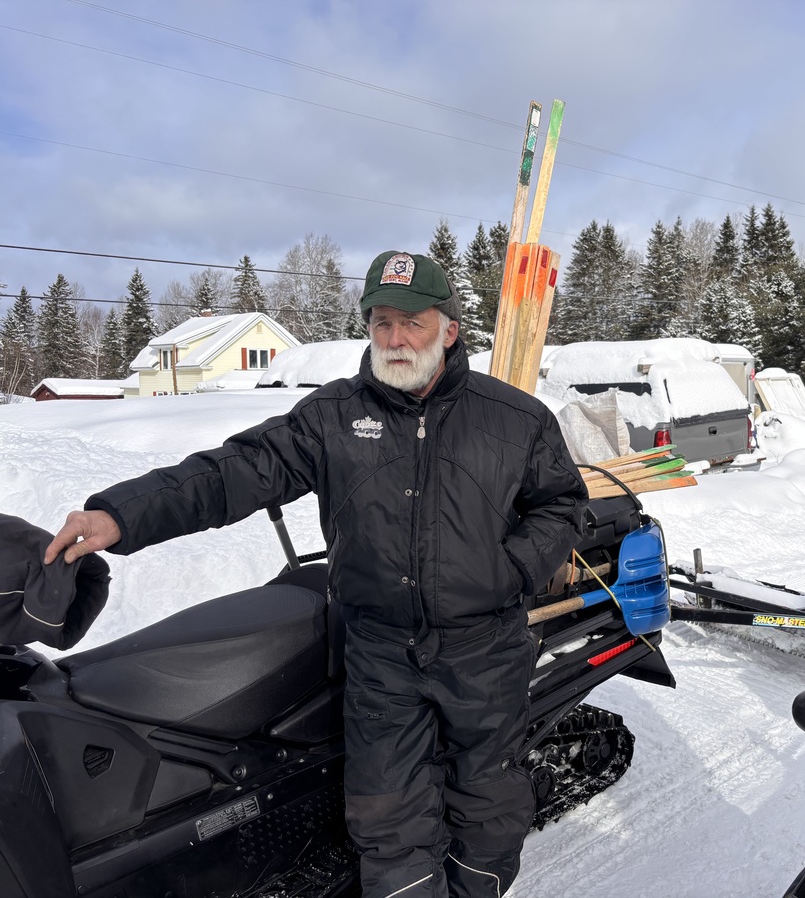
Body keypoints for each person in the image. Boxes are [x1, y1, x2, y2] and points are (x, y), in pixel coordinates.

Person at [44, 250, 589, 898]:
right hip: (381, 654)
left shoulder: (514, 419)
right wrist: (121, 516)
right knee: (387, 818)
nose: (395, 337)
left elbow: (562, 505)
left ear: (448, 327)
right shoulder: (333, 417)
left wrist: (511, 568)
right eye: (382, 321)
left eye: (412, 322)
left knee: (488, 804)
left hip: (484, 651)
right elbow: (230, 473)